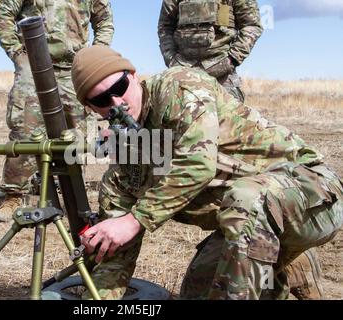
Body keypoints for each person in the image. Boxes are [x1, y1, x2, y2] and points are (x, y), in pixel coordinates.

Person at [70, 45, 343, 299]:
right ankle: (282, 257)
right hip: (248, 221)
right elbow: (117, 254)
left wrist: (134, 220)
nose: (117, 103)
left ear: (133, 75)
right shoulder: (126, 161)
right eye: (102, 99)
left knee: (247, 199)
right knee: (197, 292)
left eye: (120, 86)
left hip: (312, 193)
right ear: (91, 108)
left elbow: (197, 164)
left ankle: (277, 248)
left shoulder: (178, 88)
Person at [0, 0, 114, 222]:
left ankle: (74, 197)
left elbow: (104, 20)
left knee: (76, 133)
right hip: (34, 65)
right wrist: (18, 54)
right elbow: (3, 14)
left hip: (74, 68)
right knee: (25, 130)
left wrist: (96, 52)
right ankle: (13, 196)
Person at [158, 0, 263, 102]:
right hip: (183, 70)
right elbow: (165, 27)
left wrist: (232, 59)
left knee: (228, 117)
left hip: (222, 73)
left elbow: (252, 25)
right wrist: (172, 60)